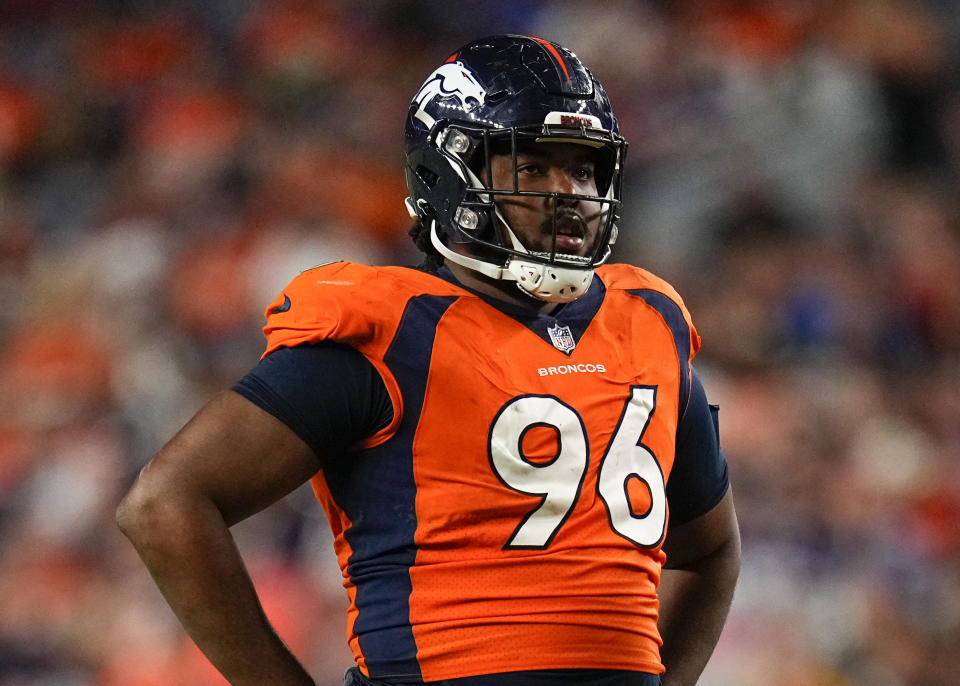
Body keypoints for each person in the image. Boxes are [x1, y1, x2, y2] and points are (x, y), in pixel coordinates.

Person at [116, 34, 740, 686]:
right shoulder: (391, 328)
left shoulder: (645, 320)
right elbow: (164, 503)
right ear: (448, 175)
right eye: (532, 168)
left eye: (582, 169)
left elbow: (711, 550)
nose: (570, 194)